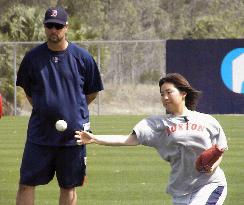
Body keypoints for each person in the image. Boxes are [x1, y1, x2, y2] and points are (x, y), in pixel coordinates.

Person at [75, 73, 228, 205]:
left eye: (169, 92)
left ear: (183, 93)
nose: (165, 97)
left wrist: (212, 166)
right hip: (180, 191)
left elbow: (219, 149)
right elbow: (128, 140)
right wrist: (95, 138)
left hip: (210, 184)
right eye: (162, 94)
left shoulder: (207, 121)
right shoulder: (157, 124)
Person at [16, 7, 103, 205]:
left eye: (57, 26)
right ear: (44, 27)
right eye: (49, 26)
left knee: (68, 187)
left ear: (66, 28)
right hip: (40, 135)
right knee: (26, 183)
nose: (53, 30)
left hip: (72, 137)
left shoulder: (83, 58)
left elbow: (92, 92)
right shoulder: (32, 58)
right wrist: (45, 108)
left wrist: (72, 110)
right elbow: (29, 92)